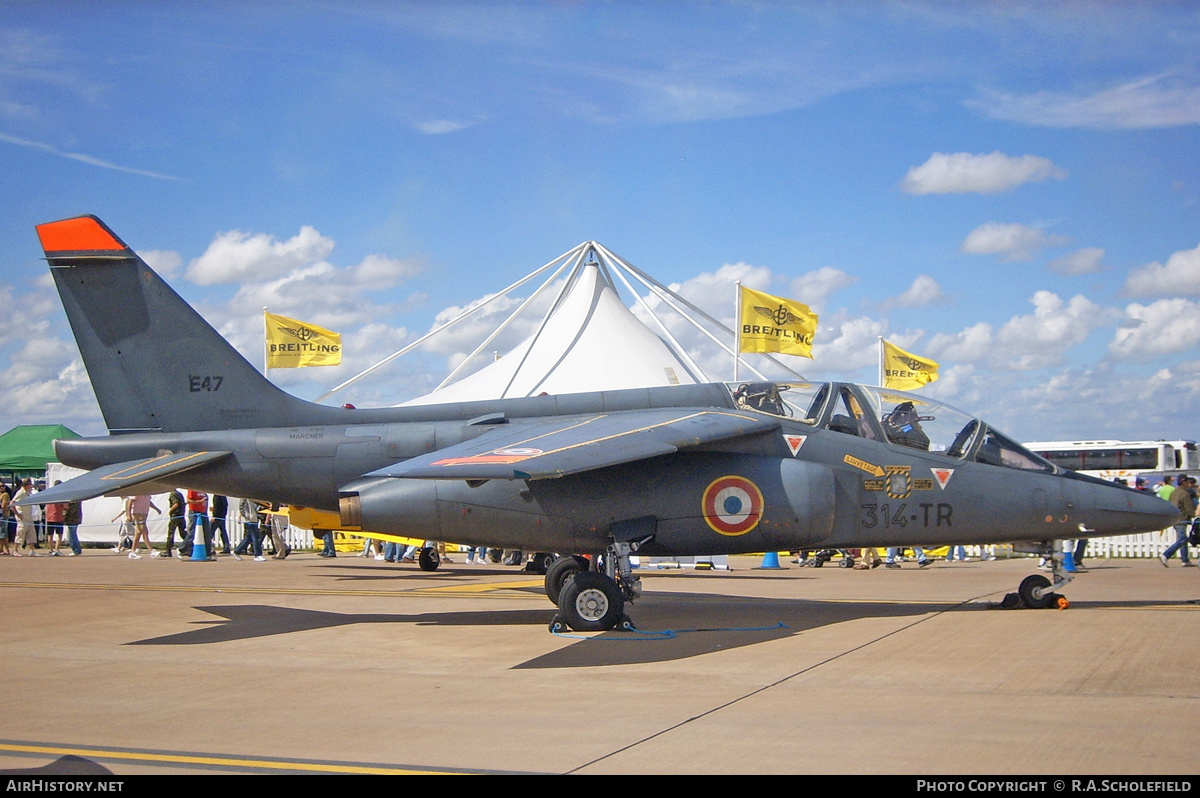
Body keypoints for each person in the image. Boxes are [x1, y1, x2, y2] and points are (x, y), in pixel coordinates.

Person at [1161, 476, 1197, 567]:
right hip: (1182, 519)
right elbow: (1189, 509)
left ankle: (1185, 560)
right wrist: (1195, 514)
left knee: (1182, 539)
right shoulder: (1185, 494)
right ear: (1183, 482)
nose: (1189, 484)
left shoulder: (1174, 492)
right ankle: (1166, 555)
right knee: (1182, 539)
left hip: (1175, 518)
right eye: (1188, 482)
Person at [115, 494, 161, 559]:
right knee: (144, 531)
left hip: (144, 513)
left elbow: (149, 502)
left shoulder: (147, 494)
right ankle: (151, 551)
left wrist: (156, 509)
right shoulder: (138, 492)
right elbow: (130, 502)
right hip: (137, 513)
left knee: (138, 532)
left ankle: (132, 552)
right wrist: (129, 515)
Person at [10, 479, 36, 556]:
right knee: (20, 533)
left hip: (29, 516)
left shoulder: (28, 492)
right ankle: (15, 550)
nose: (31, 486)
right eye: (30, 484)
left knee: (32, 533)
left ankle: (31, 550)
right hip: (22, 516)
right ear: (26, 485)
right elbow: (12, 504)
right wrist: (17, 514)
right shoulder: (20, 493)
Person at [44, 484, 67, 556]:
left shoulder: (49, 495)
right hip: (58, 517)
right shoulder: (62, 495)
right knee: (59, 534)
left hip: (49, 517)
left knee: (50, 535)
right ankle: (56, 549)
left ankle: (51, 550)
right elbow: (66, 506)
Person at [164, 489, 186, 558]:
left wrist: (170, 510)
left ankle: (168, 551)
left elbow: (176, 503)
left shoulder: (173, 494)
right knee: (183, 533)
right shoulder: (180, 494)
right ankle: (190, 547)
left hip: (175, 516)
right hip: (181, 516)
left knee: (171, 533)